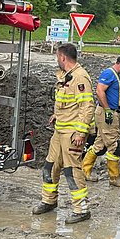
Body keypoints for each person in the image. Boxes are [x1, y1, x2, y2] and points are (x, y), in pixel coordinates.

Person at [32, 43, 95, 223]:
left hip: (72, 133)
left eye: (56, 57)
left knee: (72, 171)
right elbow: (68, 102)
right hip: (60, 130)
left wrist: (81, 132)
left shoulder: (80, 77)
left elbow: (87, 106)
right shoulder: (66, 76)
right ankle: (49, 201)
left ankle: (81, 209)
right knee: (50, 167)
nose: (56, 60)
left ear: (62, 58)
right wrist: (56, 115)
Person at [82, 54, 120, 188]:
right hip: (108, 113)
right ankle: (114, 177)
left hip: (109, 112)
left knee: (99, 144)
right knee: (115, 144)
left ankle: (84, 170)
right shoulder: (109, 73)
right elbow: (100, 91)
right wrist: (107, 110)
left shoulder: (116, 75)